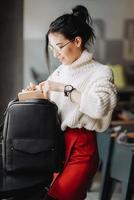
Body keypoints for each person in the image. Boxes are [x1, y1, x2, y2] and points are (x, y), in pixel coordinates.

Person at [25, 5, 117, 200]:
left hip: (82, 148)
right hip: (57, 147)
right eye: (52, 49)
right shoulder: (61, 71)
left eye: (59, 47)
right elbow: (50, 107)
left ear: (77, 41)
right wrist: (35, 94)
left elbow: (99, 106)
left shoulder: (101, 72)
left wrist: (64, 88)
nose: (55, 54)